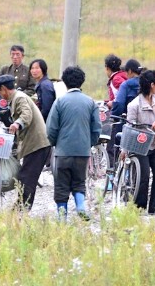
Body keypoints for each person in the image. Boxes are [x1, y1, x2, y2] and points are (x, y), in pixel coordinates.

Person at [46, 66, 101, 220]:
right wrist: (88, 143)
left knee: (61, 184)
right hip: (83, 151)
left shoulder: (60, 102)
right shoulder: (90, 102)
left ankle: (62, 217)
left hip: (63, 151)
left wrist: (56, 143)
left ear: (65, 82)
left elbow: (51, 128)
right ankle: (81, 207)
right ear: (82, 81)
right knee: (79, 181)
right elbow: (96, 128)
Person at [0, 74, 52, 211]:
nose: (0, 95)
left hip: (37, 145)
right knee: (25, 177)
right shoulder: (15, 99)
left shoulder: (19, 98)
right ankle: (21, 208)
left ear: (4, 89)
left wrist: (17, 124)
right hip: (34, 145)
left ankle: (21, 210)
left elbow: (26, 115)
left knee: (27, 178)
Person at [126, 70, 155, 215]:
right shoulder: (134, 105)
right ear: (151, 85)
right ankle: (139, 207)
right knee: (143, 177)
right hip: (141, 147)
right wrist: (125, 150)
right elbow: (129, 127)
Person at [108, 59, 142, 166]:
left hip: (126, 121)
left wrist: (114, 114)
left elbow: (119, 103)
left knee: (114, 146)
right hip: (143, 123)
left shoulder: (126, 85)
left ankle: (113, 173)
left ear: (130, 71)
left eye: (127, 72)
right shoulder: (146, 83)